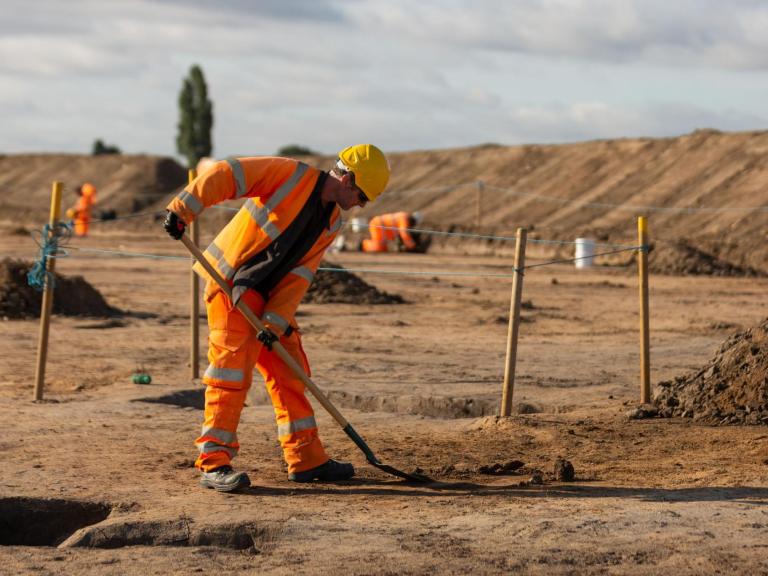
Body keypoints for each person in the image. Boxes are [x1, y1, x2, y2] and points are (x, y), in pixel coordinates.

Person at [163, 144, 390, 492]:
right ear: (347, 178)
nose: (361, 204)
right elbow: (227, 174)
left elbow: (300, 274)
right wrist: (184, 208)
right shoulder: (288, 175)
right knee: (230, 372)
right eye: (361, 195)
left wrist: (273, 323)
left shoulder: (331, 223)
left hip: (267, 297)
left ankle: (306, 458)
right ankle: (214, 461)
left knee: (291, 369)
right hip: (231, 283)